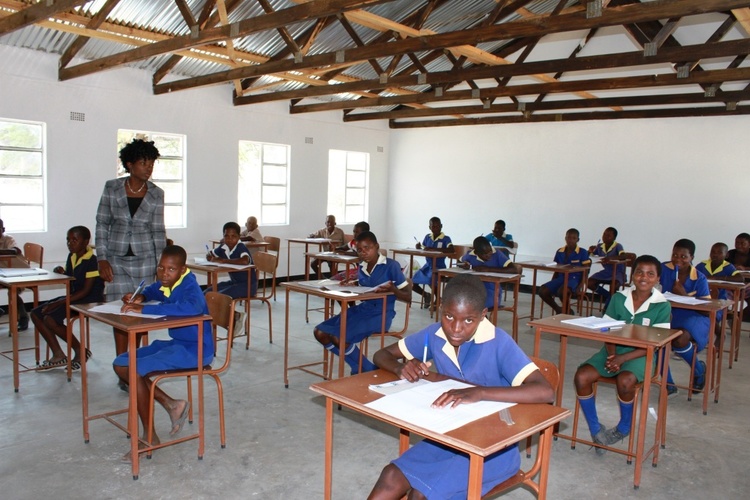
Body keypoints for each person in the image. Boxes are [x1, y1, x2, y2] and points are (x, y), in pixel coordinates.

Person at [368, 275, 554, 499]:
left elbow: (545, 391)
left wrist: (480, 392)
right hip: (447, 439)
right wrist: (401, 369)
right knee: (390, 475)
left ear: (483, 315)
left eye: (468, 320)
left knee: (421, 494)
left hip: (493, 450)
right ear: (440, 309)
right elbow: (382, 354)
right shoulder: (434, 334)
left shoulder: (498, 342)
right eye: (448, 316)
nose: (456, 328)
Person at [113, 245, 213, 461]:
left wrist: (145, 310)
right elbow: (154, 288)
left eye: (170, 269)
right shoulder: (169, 282)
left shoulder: (190, 286)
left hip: (195, 350)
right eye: (161, 267)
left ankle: (149, 436)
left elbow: (192, 308)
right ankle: (171, 404)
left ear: (182, 269)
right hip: (177, 343)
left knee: (135, 370)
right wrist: (141, 297)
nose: (164, 273)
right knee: (121, 364)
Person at [574, 255, 671, 455]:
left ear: (658, 279)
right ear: (631, 275)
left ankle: (624, 427)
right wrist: (612, 356)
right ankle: (596, 431)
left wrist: (622, 359)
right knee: (581, 376)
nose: (644, 277)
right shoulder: (619, 298)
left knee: (625, 381)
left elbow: (655, 343)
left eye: (650, 274)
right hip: (612, 350)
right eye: (639, 272)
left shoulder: (662, 305)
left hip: (642, 354)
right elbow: (606, 330)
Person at [96, 138, 166, 359]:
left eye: (152, 163)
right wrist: (102, 258)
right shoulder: (112, 187)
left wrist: (161, 267)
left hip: (145, 261)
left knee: (140, 313)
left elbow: (158, 231)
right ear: (129, 164)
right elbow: (102, 223)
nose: (149, 168)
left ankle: (136, 361)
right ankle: (122, 363)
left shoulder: (157, 193)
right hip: (115, 260)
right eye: (144, 163)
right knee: (120, 312)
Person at [313, 231, 411, 374]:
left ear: (376, 246)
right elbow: (368, 285)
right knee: (320, 332)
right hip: (362, 310)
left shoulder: (391, 266)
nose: (364, 252)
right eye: (360, 250)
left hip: (381, 314)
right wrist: (353, 284)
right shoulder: (362, 266)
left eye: (367, 248)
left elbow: (408, 296)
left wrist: (393, 289)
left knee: (339, 336)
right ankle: (360, 366)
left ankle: (364, 367)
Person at [35, 226, 104, 370]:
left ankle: (80, 350)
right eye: (68, 240)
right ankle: (59, 354)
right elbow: (73, 279)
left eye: (74, 240)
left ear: (86, 242)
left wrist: (58, 303)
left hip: (89, 300)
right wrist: (63, 272)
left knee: (50, 318)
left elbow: (86, 291)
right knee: (36, 313)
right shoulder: (72, 256)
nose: (70, 243)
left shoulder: (92, 261)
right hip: (75, 296)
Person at [659, 238, 711, 396]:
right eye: (675, 255)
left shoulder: (699, 277)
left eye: (683, 257)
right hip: (667, 313)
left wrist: (684, 296)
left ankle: (699, 369)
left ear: (691, 258)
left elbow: (706, 310)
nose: (678, 259)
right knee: (656, 338)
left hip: (693, 316)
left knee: (679, 337)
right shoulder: (662, 269)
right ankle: (668, 383)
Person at [538, 228, 591, 315]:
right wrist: (552, 281)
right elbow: (556, 268)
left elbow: (586, 271)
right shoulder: (560, 251)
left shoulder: (582, 252)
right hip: (561, 277)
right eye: (568, 237)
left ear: (578, 240)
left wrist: (581, 285)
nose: (570, 240)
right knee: (542, 291)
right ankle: (558, 309)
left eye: (573, 238)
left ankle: (566, 310)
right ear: (565, 238)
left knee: (562, 291)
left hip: (574, 279)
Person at [460, 236, 521, 310]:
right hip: (474, 289)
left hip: (492, 292)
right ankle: (482, 320)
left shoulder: (497, 254)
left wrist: (488, 269)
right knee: (462, 302)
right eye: (485, 254)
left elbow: (514, 269)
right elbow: (460, 261)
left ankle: (483, 320)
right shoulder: (470, 255)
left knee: (476, 305)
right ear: (476, 252)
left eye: (490, 251)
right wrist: (464, 264)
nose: (489, 255)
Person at [696, 242, 742, 331]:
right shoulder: (702, 265)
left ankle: (718, 332)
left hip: (720, 299)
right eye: (713, 252)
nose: (715, 255)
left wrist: (716, 277)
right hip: (702, 297)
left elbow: (740, 278)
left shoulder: (728, 266)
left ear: (726, 255)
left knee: (712, 314)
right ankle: (713, 332)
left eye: (719, 252)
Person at [206, 221, 257, 298]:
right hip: (234, 283)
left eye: (233, 236)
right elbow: (211, 253)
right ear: (223, 236)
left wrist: (223, 261)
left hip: (248, 286)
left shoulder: (240, 247)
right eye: (226, 236)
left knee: (218, 296)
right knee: (208, 292)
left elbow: (245, 261)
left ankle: (226, 310)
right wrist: (209, 257)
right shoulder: (223, 247)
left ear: (239, 237)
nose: (230, 239)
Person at [412, 216, 453, 306]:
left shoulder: (446, 238)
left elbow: (451, 250)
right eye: (433, 226)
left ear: (441, 226)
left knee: (432, 279)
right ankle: (426, 295)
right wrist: (419, 247)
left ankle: (438, 299)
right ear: (429, 227)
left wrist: (433, 248)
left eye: (437, 226)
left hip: (439, 267)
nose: (435, 228)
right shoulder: (427, 237)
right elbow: (423, 248)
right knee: (413, 282)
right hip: (427, 266)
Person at [0, 218, 29, 330]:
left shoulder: (8, 238)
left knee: (12, 291)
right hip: (4, 272)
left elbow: (15, 250)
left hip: (19, 270)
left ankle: (23, 317)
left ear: (3, 229)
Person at [586, 227, 627, 304]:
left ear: (614, 238)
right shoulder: (600, 246)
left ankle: (608, 307)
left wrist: (610, 258)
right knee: (589, 282)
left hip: (618, 272)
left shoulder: (618, 246)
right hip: (606, 272)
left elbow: (624, 256)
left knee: (614, 285)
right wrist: (590, 251)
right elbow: (591, 255)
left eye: (608, 235)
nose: (605, 237)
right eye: (604, 234)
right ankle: (608, 296)